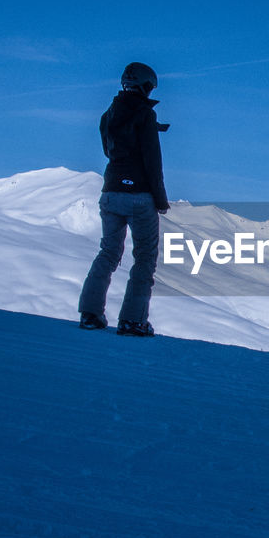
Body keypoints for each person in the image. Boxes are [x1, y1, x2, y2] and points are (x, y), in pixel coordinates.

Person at [77, 62, 170, 336]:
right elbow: (153, 162)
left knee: (108, 252)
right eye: (150, 86)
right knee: (144, 258)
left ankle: (90, 314)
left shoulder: (109, 115)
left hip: (110, 192)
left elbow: (109, 151)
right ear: (144, 86)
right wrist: (161, 200)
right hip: (139, 196)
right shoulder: (145, 116)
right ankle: (133, 320)